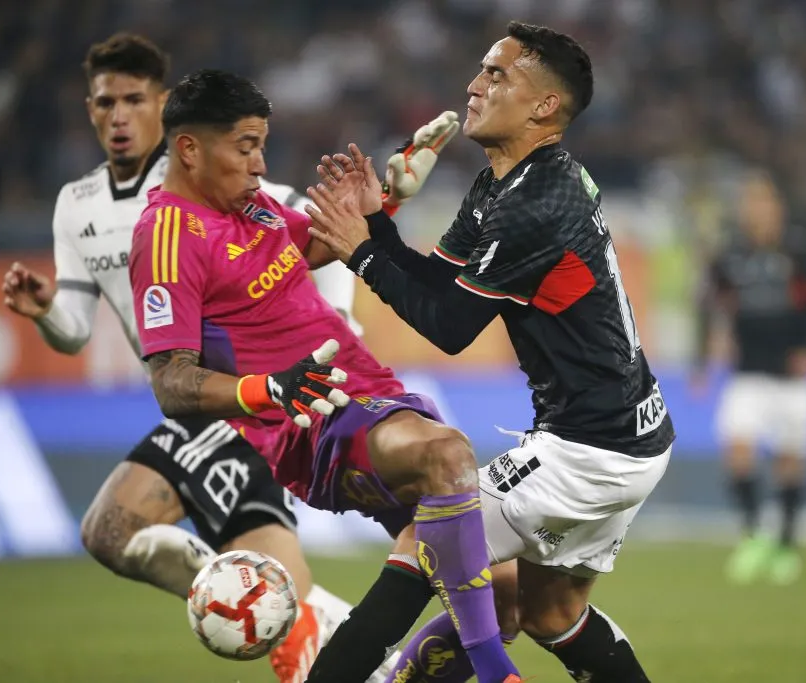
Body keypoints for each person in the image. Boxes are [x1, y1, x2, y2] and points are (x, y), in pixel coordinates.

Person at [0, 33, 388, 682]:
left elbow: (309, 241)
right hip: (199, 400)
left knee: (225, 571)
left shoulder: (224, 181)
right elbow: (74, 331)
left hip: (244, 399)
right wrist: (46, 312)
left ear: (164, 108)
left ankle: (324, 633)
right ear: (89, 110)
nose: (118, 115)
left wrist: (331, 329)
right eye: (103, 102)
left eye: (133, 99)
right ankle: (295, 612)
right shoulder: (79, 206)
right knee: (109, 532)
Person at [305, 21, 673, 683]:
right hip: (631, 435)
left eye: (498, 75)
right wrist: (378, 226)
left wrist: (358, 250)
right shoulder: (505, 184)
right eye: (481, 70)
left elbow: (450, 326)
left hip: (591, 447)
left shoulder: (535, 203)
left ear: (544, 107)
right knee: (549, 609)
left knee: (427, 541)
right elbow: (440, 283)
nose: (475, 85)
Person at [126, 68, 522, 683]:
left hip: (372, 392)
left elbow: (312, 246)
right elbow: (170, 383)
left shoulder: (253, 207)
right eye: (245, 146)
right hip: (309, 420)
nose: (260, 165)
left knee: (508, 592)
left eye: (261, 145)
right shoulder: (169, 234)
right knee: (447, 455)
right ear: (189, 149)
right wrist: (268, 389)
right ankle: (500, 675)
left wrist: (385, 201)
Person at [694, 170, 806, 585]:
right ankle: (752, 535)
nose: (757, 210)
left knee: (789, 461)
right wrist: (704, 359)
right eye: (751, 202)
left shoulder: (798, 252)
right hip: (747, 372)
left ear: (777, 208)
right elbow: (709, 305)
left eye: (764, 201)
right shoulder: (730, 256)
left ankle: (785, 544)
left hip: (791, 374)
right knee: (738, 448)